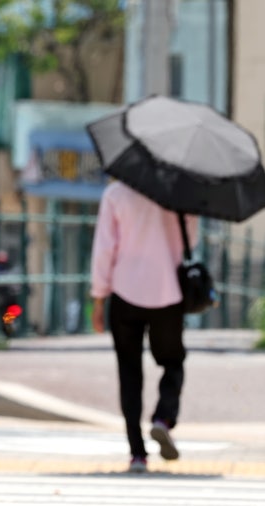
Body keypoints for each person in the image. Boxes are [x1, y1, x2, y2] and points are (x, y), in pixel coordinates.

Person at [90, 180, 197, 473]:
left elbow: (105, 247)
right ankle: (163, 418)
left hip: (125, 292)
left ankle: (137, 454)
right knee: (173, 361)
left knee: (129, 372)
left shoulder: (115, 193)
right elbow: (192, 238)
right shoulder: (179, 191)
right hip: (168, 291)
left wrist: (99, 297)